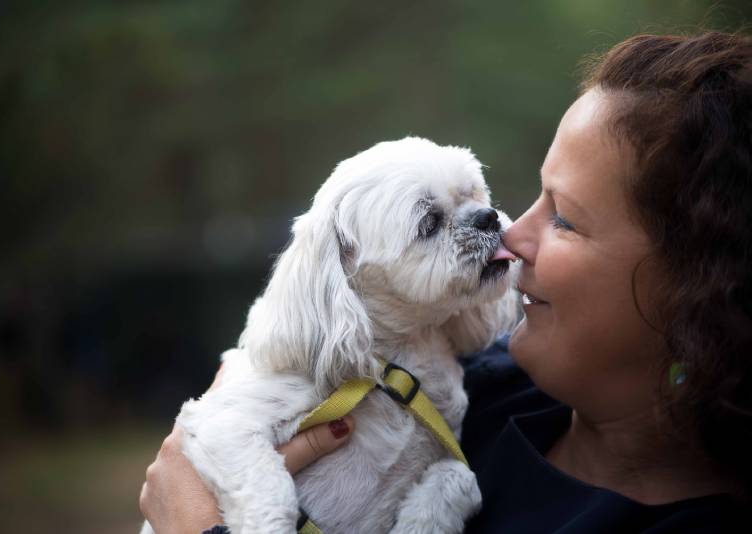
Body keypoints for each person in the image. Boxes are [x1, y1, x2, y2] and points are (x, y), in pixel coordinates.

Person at [140, 31, 752, 533]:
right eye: (534, 197)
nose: (510, 233)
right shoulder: (476, 387)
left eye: (564, 218)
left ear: (698, 290)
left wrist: (198, 527)